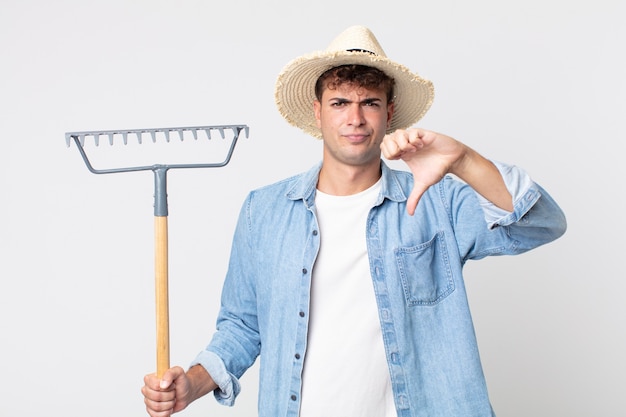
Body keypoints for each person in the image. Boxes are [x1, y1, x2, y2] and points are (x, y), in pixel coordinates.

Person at [141, 25, 566, 417]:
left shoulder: (437, 203)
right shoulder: (264, 211)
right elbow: (242, 325)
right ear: (319, 111)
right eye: (341, 102)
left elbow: (540, 222)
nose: (355, 118)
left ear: (389, 113)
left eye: (370, 103)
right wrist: (191, 385)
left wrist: (463, 160)